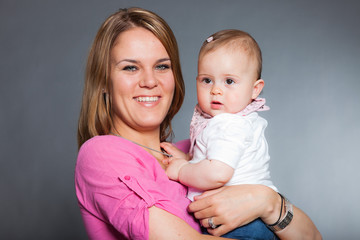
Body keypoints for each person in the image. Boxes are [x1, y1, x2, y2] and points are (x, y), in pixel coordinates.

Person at [75, 7, 322, 240]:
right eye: (130, 67)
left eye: (162, 66)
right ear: (103, 81)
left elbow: (313, 237)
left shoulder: (196, 152)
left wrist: (268, 202)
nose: (150, 81)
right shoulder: (101, 154)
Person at [160, 29, 278, 239]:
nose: (216, 90)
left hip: (241, 225)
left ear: (255, 89)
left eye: (229, 81)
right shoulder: (241, 121)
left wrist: (182, 170)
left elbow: (218, 174)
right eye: (207, 80)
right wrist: (188, 157)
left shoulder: (228, 124)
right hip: (252, 219)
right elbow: (215, 158)